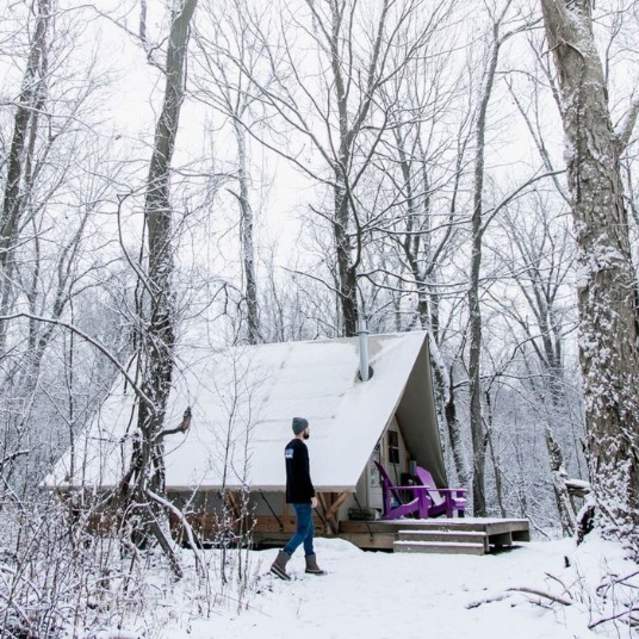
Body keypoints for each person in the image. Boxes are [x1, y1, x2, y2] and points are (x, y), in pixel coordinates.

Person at [270, 417, 325, 580]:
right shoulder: (301, 448)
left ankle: (311, 564)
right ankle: (280, 562)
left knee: (309, 529)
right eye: (308, 428)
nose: (309, 430)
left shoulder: (289, 447)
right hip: (302, 495)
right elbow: (304, 473)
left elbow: (293, 472)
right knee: (302, 531)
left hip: (293, 493)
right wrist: (312, 494)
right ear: (303, 429)